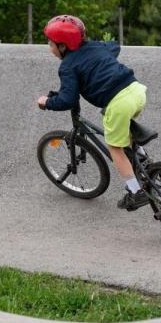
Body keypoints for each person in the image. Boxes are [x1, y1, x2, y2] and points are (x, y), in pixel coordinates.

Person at [36, 14, 150, 210]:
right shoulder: (96, 47)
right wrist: (99, 62)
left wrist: (46, 102)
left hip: (119, 103)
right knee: (115, 120)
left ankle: (135, 191)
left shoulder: (68, 66)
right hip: (137, 91)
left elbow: (67, 99)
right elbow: (114, 46)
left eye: (51, 44)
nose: (50, 48)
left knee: (114, 147)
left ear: (63, 46)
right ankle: (140, 154)